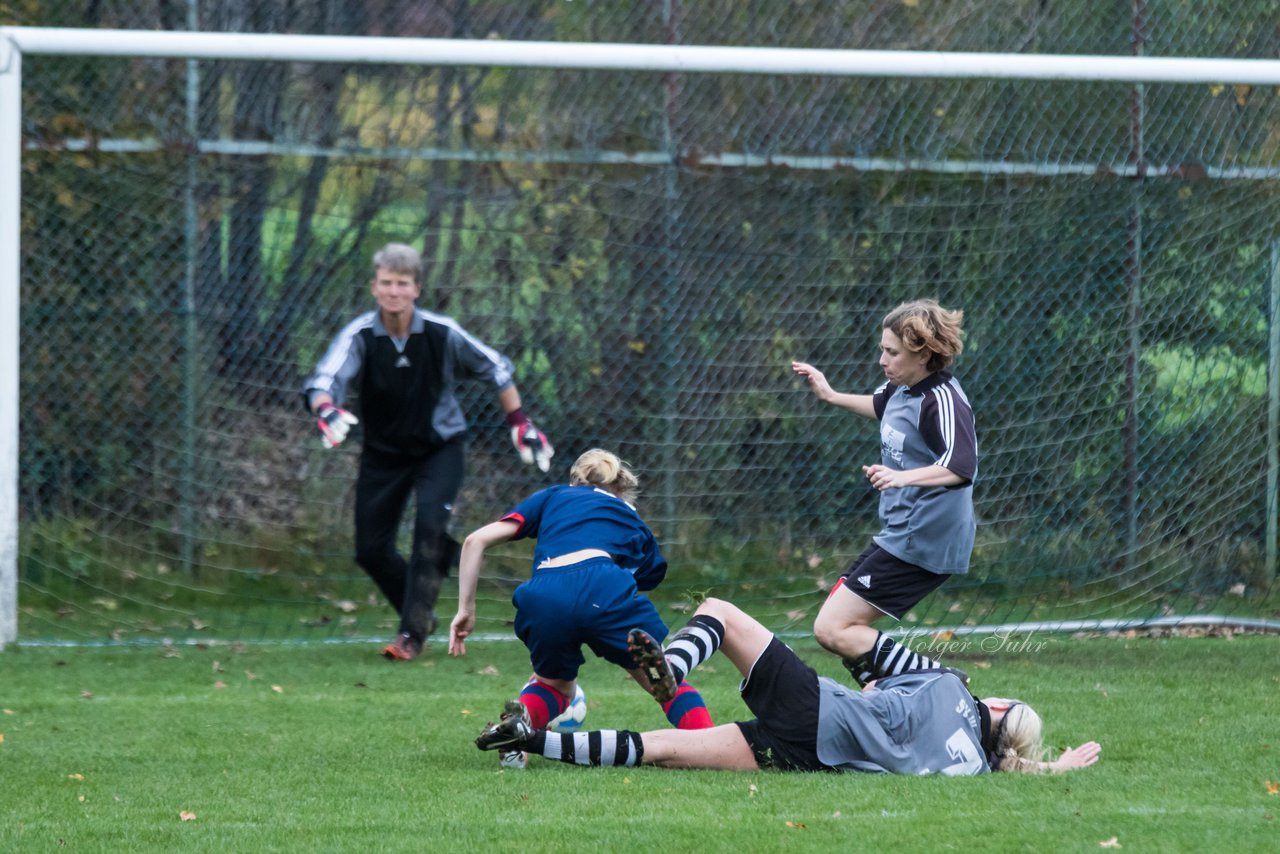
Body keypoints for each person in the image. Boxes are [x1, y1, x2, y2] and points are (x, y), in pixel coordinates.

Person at [476, 597, 1101, 775]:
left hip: (820, 710)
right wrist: (1056, 768)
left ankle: (674, 666)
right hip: (812, 758)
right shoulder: (975, 770)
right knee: (660, 747)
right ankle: (529, 740)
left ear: (998, 704)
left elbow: (871, 655)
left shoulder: (952, 683)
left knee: (721, 612)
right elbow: (1019, 770)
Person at [304, 242, 553, 662]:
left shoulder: (442, 332)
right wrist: (326, 409)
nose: (394, 292)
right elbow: (323, 380)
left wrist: (520, 424)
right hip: (383, 454)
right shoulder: (361, 335)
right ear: (374, 287)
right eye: (386, 283)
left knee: (427, 535)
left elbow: (497, 368)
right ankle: (427, 591)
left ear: (416, 288)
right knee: (370, 549)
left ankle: (410, 634)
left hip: (440, 450)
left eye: (402, 284)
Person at [451, 448, 714, 768]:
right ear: (621, 490)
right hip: (601, 585)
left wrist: (466, 609)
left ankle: (518, 727)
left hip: (542, 594)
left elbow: (474, 541)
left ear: (574, 482)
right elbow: (644, 577)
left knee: (555, 685)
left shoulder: (553, 497)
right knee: (664, 683)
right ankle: (708, 744)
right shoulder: (628, 515)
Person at [791, 298, 977, 686]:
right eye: (882, 349)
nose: (882, 359)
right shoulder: (902, 388)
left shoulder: (939, 399)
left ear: (923, 354)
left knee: (834, 629)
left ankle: (940, 682)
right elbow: (881, 405)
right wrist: (831, 395)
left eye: (891, 352)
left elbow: (960, 466)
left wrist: (902, 478)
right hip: (900, 533)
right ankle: (889, 700)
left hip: (925, 538)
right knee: (844, 631)